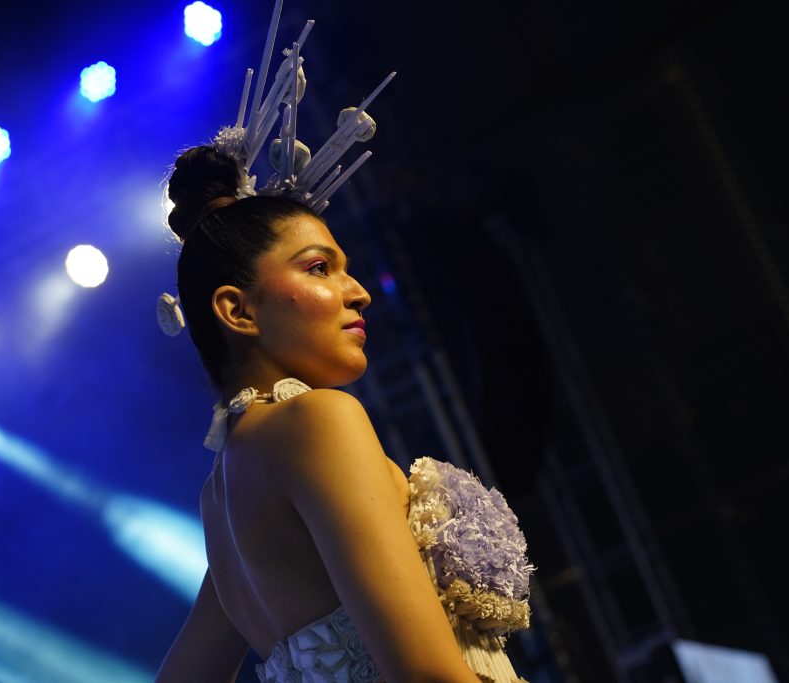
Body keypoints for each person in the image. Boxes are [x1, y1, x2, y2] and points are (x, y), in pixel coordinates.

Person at [153, 145, 531, 683]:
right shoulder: (316, 420)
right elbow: (427, 674)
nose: (359, 293)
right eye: (320, 268)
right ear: (238, 310)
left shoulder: (220, 496)